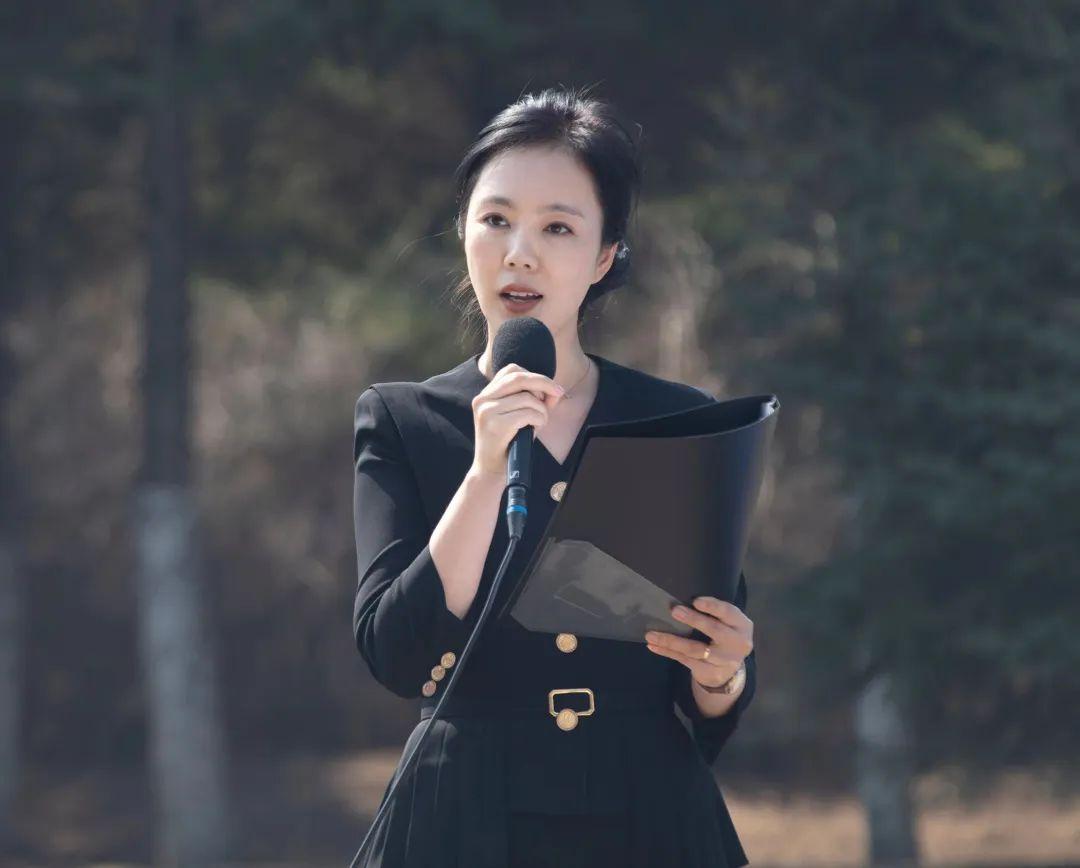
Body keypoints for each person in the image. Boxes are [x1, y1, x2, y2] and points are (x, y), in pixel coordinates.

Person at [352, 85, 757, 868]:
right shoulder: (402, 419)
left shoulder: (679, 419)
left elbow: (711, 677)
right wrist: (485, 471)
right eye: (496, 219)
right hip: (464, 816)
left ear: (605, 256)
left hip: (648, 810)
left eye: (558, 227)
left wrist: (723, 674)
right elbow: (395, 655)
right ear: (463, 232)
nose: (519, 253)